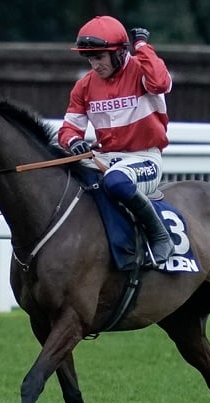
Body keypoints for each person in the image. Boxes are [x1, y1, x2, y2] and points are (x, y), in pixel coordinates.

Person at [58, 15, 175, 265]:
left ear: (120, 53)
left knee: (116, 181)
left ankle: (160, 236)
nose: (94, 65)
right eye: (90, 58)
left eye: (99, 57)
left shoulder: (143, 72)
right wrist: (73, 142)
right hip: (104, 158)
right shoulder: (84, 86)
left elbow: (160, 82)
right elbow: (69, 128)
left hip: (144, 158)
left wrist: (142, 46)